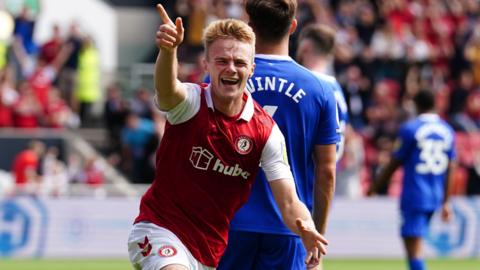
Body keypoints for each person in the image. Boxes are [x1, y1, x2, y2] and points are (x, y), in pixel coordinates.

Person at [127, 4, 328, 270]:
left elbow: (290, 202)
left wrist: (306, 228)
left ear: (252, 68)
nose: (231, 69)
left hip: (211, 249)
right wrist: (168, 50)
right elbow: (166, 90)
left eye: (239, 62)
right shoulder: (191, 102)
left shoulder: (266, 132)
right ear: (206, 64)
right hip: (161, 229)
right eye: (222, 61)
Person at [218, 1, 339, 269]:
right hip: (291, 226)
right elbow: (327, 171)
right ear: (293, 26)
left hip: (230, 224)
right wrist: (315, 232)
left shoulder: (221, 78)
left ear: (250, 28)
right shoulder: (319, 89)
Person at [368, 89, 456, 270]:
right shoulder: (447, 130)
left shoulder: (411, 129)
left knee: (413, 247)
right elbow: (451, 167)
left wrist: (375, 186)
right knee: (414, 244)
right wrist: (446, 201)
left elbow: (395, 162)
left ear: (416, 105)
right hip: (435, 195)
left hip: (416, 193)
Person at [296, 24, 354, 197]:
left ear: (305, 47)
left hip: (305, 177)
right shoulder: (335, 87)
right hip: (327, 175)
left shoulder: (308, 86)